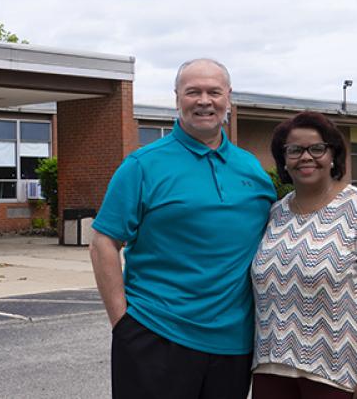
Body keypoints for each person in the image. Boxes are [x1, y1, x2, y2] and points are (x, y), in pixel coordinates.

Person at [90, 58, 276, 399]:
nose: (204, 100)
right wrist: (123, 324)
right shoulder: (142, 166)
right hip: (156, 335)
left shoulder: (251, 169)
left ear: (228, 98)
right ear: (177, 98)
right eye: (193, 92)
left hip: (234, 344)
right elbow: (103, 240)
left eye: (213, 92)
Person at [251, 111, 357, 399]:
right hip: (271, 370)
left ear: (333, 155)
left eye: (317, 148)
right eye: (295, 150)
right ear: (284, 160)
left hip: (339, 376)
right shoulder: (276, 213)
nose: (306, 157)